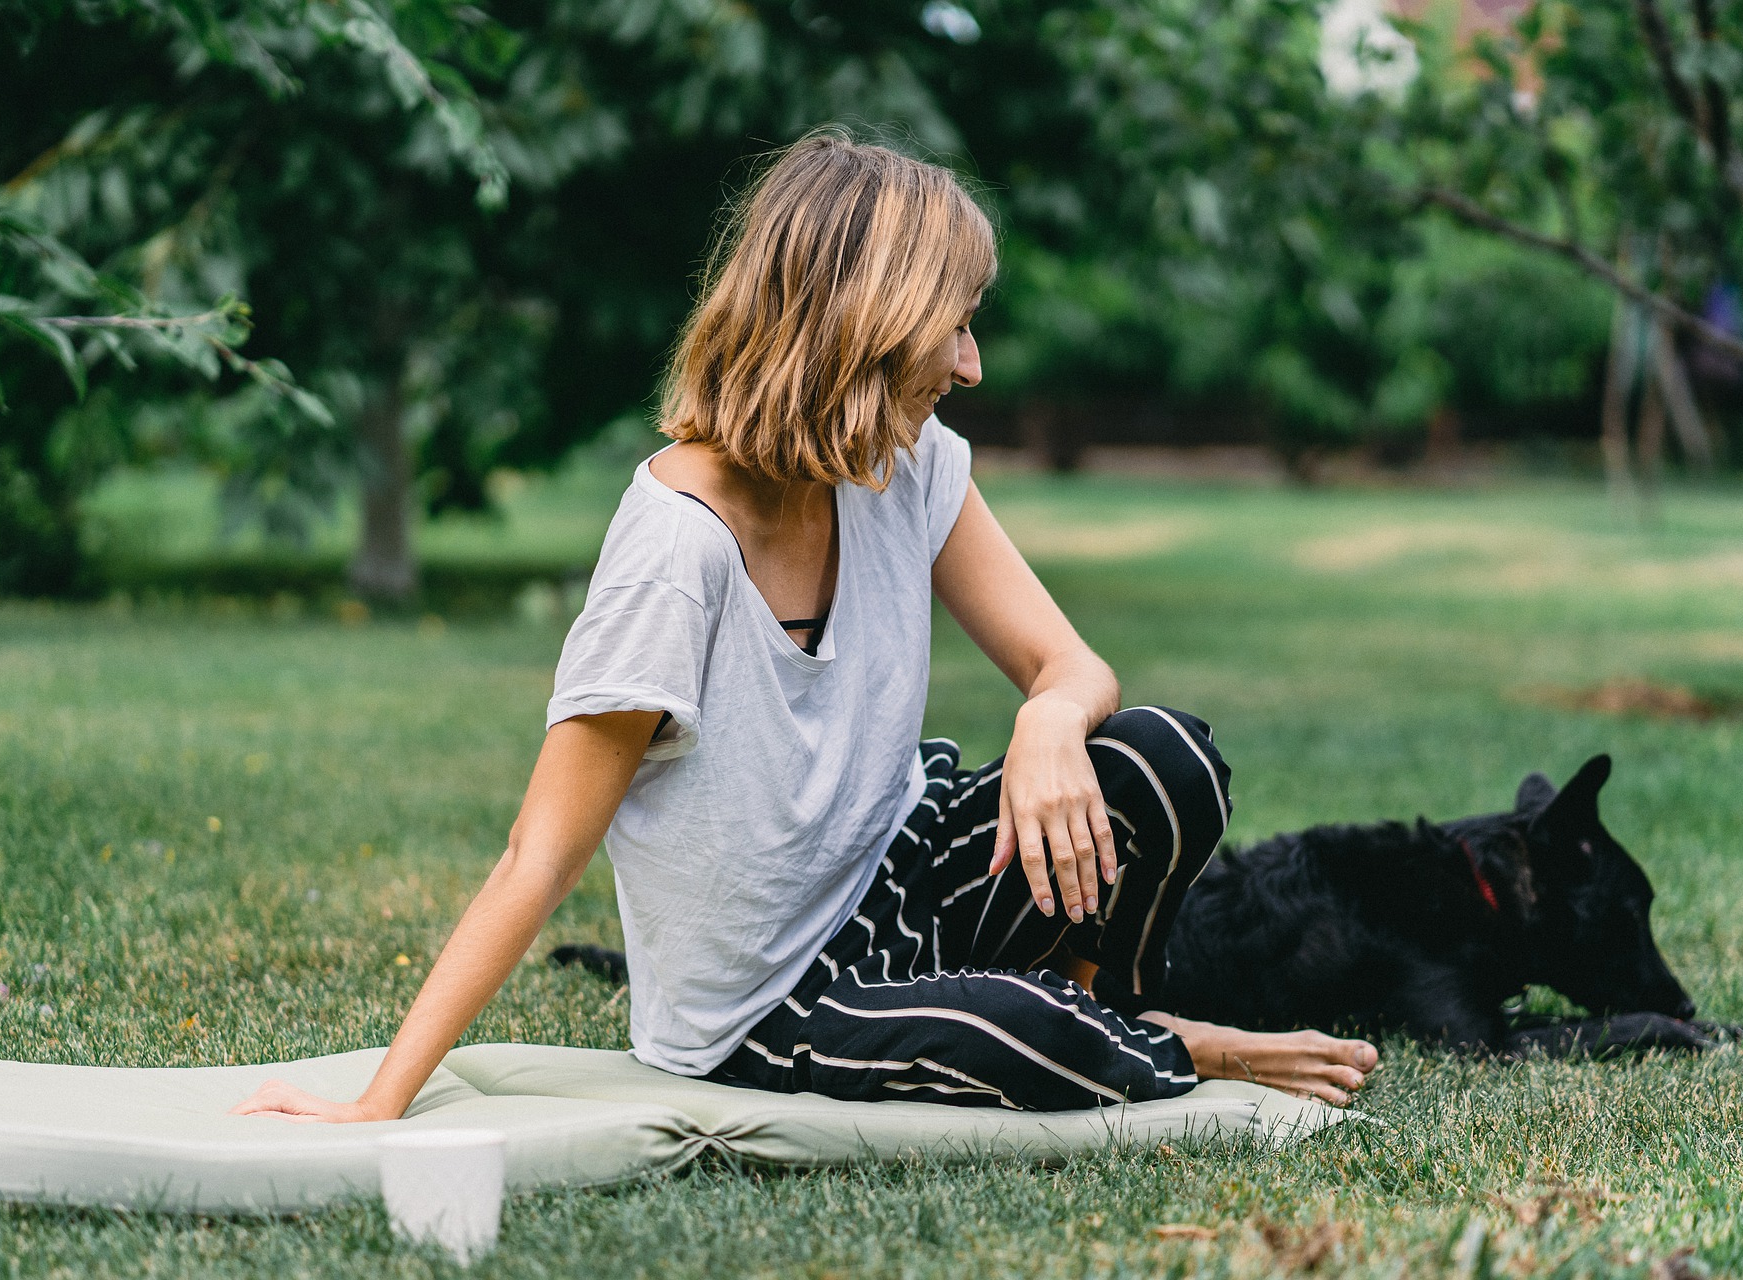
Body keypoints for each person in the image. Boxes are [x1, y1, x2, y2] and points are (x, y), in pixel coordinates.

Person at [232, 131, 1376, 1122]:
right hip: (771, 1002)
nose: (972, 364)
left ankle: (1103, 1010)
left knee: (1162, 759)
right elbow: (539, 853)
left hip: (907, 872)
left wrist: (1048, 720)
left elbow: (1071, 663)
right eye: (957, 328)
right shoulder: (677, 553)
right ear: (868, 324)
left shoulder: (906, 465)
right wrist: (379, 1096)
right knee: (1033, 1036)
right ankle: (1155, 1036)